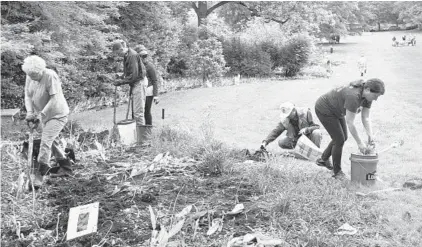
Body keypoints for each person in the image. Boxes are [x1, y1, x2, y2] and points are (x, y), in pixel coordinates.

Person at [314, 78, 385, 180]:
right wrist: (360, 143)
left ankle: (323, 159)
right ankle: (337, 172)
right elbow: (350, 123)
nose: (376, 99)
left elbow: (365, 117)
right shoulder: (353, 96)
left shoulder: (367, 96)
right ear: (368, 89)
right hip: (324, 108)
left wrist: (370, 135)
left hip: (337, 109)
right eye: (375, 96)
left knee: (343, 137)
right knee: (339, 139)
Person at [23, 55, 73, 188]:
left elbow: (54, 99)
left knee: (45, 141)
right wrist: (29, 112)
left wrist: (41, 114)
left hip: (57, 114)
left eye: (35, 75)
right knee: (52, 141)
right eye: (30, 75)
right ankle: (66, 167)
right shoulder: (29, 75)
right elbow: (27, 96)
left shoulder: (50, 76)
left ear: (42, 69)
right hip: (41, 115)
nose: (33, 77)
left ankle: (39, 175)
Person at [112, 40, 147, 126]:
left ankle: (141, 136)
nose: (117, 55)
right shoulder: (126, 55)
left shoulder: (132, 55)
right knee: (135, 111)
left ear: (121, 49)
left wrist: (120, 82)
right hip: (135, 83)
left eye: (117, 52)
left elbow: (134, 76)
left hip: (139, 83)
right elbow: (129, 72)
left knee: (138, 112)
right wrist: (121, 77)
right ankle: (136, 133)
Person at [134, 44, 159, 125]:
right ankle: (138, 129)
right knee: (137, 111)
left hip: (148, 91)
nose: (144, 58)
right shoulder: (136, 65)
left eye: (145, 56)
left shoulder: (150, 66)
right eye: (142, 56)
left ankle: (148, 130)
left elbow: (155, 80)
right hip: (139, 90)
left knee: (146, 111)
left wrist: (155, 95)